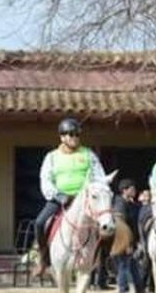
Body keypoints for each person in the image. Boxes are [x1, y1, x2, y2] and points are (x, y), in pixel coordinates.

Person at [33, 117, 107, 277]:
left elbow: (99, 176)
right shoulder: (51, 157)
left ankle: (101, 262)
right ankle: (44, 259)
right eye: (70, 134)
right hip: (60, 198)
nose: (74, 137)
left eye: (76, 134)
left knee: (108, 225)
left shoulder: (89, 154)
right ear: (62, 137)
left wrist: (93, 192)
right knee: (39, 223)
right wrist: (58, 196)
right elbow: (45, 180)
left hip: (85, 199)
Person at [112, 178, 142, 293]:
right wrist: (127, 243)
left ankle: (139, 289)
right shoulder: (120, 204)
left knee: (132, 263)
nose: (134, 191)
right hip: (123, 239)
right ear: (124, 190)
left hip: (132, 238)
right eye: (132, 189)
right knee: (123, 264)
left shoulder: (130, 204)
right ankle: (122, 289)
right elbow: (121, 225)